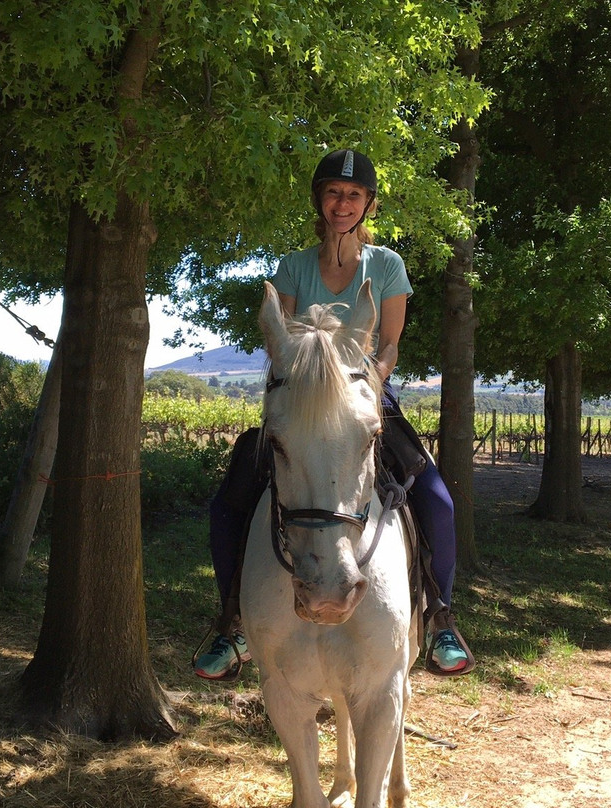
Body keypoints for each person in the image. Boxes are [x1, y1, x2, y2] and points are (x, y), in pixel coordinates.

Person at [193, 149, 474, 680]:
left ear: (367, 203)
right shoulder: (294, 266)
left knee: (436, 500)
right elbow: (287, 340)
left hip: (365, 398)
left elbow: (388, 344)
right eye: (332, 193)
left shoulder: (387, 265)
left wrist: (368, 382)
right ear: (319, 201)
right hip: (302, 399)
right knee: (229, 502)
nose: (341, 203)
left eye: (352, 195)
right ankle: (231, 625)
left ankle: (439, 618)